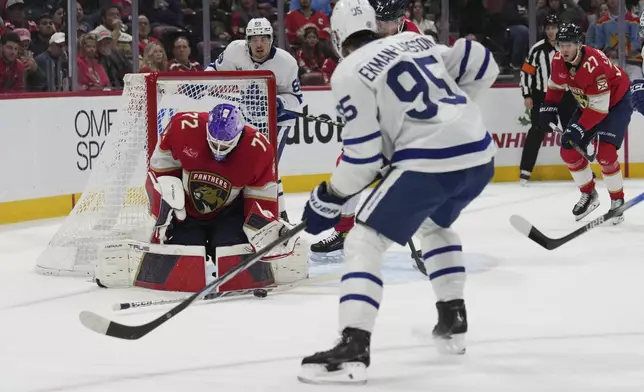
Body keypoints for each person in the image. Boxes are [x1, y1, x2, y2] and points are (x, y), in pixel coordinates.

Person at [297, 0, 498, 384]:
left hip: (428, 162)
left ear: (336, 36)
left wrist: (326, 196)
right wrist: (456, 118)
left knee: (363, 239)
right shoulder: (415, 42)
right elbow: (481, 60)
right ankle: (453, 320)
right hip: (479, 153)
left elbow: (362, 160)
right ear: (374, 25)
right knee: (433, 223)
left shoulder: (348, 71)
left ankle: (353, 347)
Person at [145, 103, 305, 292]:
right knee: (183, 264)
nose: (218, 150)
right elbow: (158, 172)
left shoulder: (259, 150)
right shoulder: (183, 127)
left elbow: (262, 202)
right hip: (186, 214)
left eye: (226, 145)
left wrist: (266, 227)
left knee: (233, 257)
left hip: (228, 216)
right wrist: (162, 209)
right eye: (214, 143)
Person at [309, 0, 419, 259]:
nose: (379, 26)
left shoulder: (411, 37)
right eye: (376, 19)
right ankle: (345, 232)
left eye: (386, 21)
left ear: (400, 20)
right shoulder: (365, 32)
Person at [206, 17, 303, 222]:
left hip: (279, 121)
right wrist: (201, 83)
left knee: (268, 164)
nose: (259, 44)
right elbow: (214, 69)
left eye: (264, 38)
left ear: (272, 39)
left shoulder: (286, 63)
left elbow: (296, 98)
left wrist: (277, 102)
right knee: (247, 163)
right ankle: (255, 212)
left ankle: (280, 214)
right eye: (254, 39)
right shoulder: (234, 51)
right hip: (247, 117)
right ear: (247, 40)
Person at [540, 23, 631, 225]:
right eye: (561, 45)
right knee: (568, 151)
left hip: (616, 103)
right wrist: (548, 107)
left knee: (605, 154)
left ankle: (617, 200)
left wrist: (578, 128)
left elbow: (600, 109)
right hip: (589, 102)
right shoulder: (558, 59)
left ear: (579, 44)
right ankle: (589, 194)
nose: (563, 50)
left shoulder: (595, 65)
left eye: (569, 45)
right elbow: (555, 86)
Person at [519, 14, 576, 185]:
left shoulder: (567, 47)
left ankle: (580, 171)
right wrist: (527, 94)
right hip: (542, 96)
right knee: (536, 131)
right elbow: (526, 72)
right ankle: (525, 171)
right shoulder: (536, 50)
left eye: (554, 27)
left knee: (572, 132)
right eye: (548, 28)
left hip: (566, 95)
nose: (551, 31)